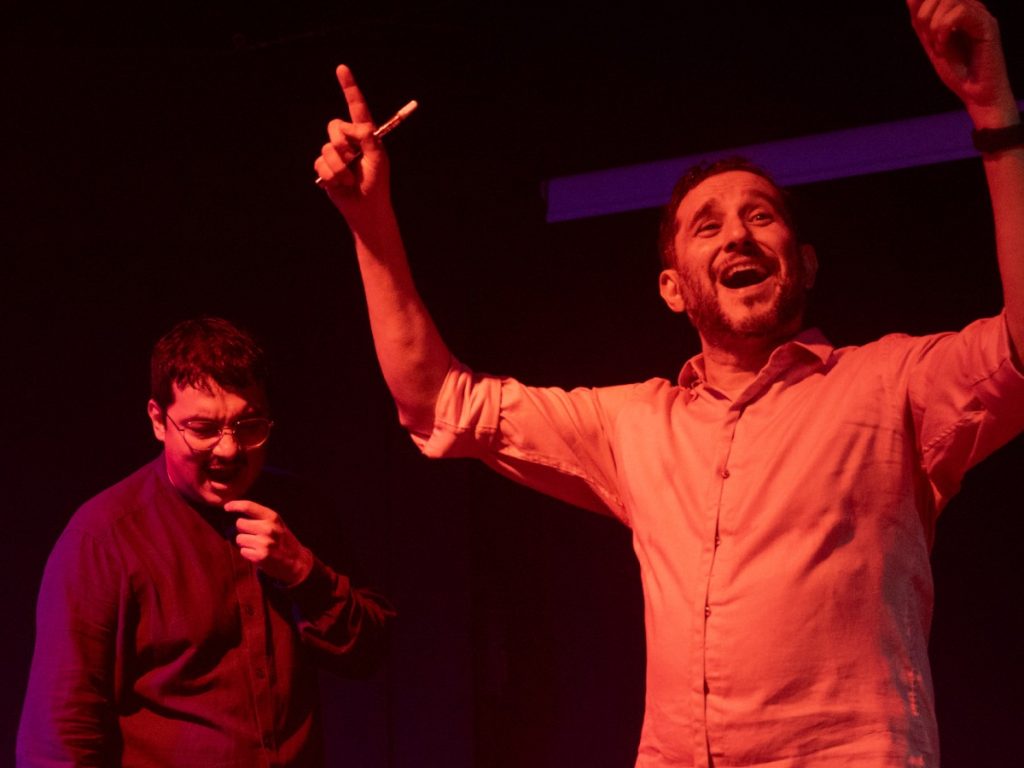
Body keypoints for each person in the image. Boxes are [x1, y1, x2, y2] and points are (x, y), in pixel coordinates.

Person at [313, 0, 1023, 766]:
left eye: (761, 217)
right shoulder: (637, 425)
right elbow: (438, 401)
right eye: (707, 226)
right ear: (673, 288)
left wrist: (993, 115)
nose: (739, 234)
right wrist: (369, 219)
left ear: (807, 263)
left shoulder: (892, 385)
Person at [17, 316, 395, 767]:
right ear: (159, 421)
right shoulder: (102, 538)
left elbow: (370, 654)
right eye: (203, 430)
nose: (230, 450)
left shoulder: (303, 511)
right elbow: (60, 735)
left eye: (249, 425)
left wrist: (303, 572)